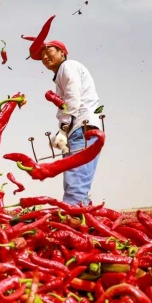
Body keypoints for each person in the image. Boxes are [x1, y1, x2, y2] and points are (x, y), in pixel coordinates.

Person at [40, 41, 102, 205]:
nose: (44, 57)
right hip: (80, 128)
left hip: (82, 128)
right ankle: (84, 218)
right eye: (41, 56)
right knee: (74, 177)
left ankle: (72, 217)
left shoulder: (68, 66)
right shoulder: (62, 73)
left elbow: (73, 98)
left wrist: (63, 129)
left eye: (48, 51)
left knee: (76, 177)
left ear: (62, 52)